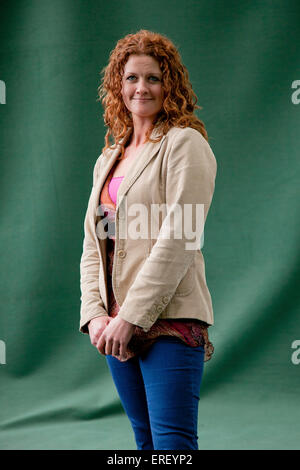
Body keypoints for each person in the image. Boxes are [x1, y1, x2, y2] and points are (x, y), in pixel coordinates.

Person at [79, 29, 217, 450]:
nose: (142, 88)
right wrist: (97, 315)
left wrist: (131, 317)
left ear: (169, 84)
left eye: (154, 78)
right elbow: (92, 244)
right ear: (118, 87)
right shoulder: (110, 157)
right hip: (115, 326)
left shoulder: (184, 143)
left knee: (172, 447)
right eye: (132, 78)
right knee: (144, 443)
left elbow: (180, 236)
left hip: (169, 320)